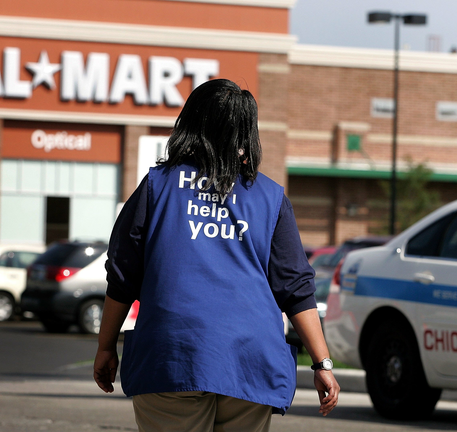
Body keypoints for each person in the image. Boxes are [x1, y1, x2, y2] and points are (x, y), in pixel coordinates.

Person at [93, 79, 339, 431]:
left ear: (190, 122)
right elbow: (296, 287)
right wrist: (322, 364)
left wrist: (105, 347)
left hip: (174, 357)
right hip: (250, 363)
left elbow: (122, 275)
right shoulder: (269, 197)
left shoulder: (156, 186)